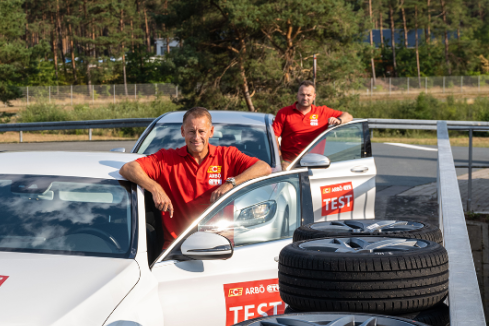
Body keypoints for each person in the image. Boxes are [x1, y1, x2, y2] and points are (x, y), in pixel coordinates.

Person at [119, 107, 271, 248]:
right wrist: (155, 188)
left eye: (201, 131)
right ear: (182, 132)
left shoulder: (227, 155)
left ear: (211, 132)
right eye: (191, 131)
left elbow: (264, 168)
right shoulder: (167, 159)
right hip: (175, 247)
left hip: (218, 244)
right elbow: (128, 168)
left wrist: (231, 183)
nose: (196, 137)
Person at [273, 81, 353, 169]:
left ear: (314, 96)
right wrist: (281, 161)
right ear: (297, 95)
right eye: (302, 94)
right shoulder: (284, 113)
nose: (305, 98)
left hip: (314, 163)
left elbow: (348, 116)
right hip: (290, 163)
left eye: (308, 95)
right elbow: (274, 138)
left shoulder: (323, 112)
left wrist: (339, 120)